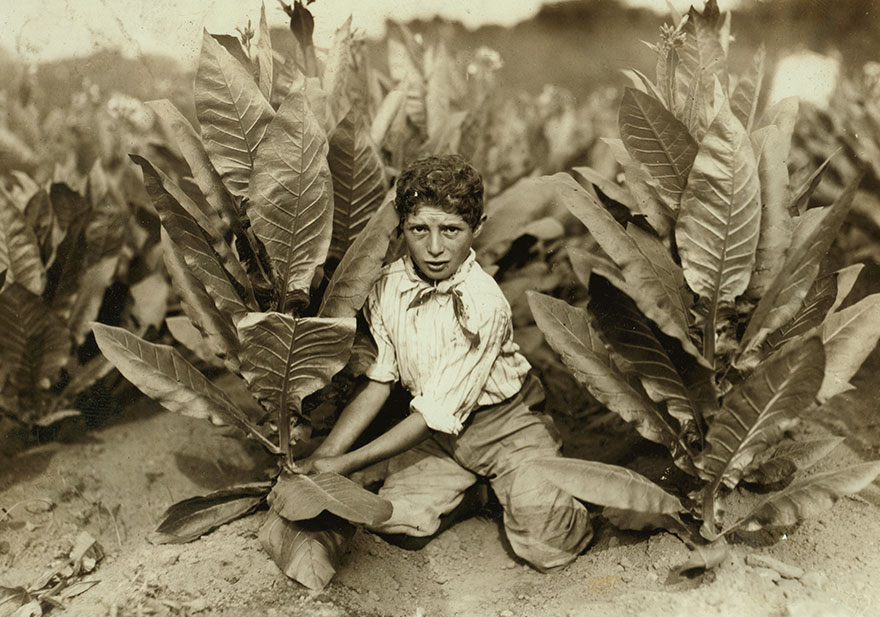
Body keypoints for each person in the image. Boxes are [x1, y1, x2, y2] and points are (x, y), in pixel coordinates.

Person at [297, 154, 592, 571]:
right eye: (420, 229)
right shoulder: (387, 286)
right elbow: (380, 382)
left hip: (507, 426)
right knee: (390, 520)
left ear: (478, 228)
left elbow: (435, 413)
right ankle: (478, 495)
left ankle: (531, 484)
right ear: (402, 228)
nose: (435, 248)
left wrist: (342, 465)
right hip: (441, 435)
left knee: (549, 547)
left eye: (451, 230)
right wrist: (326, 454)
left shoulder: (483, 303)